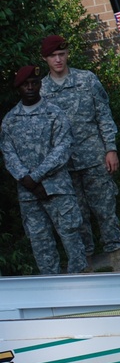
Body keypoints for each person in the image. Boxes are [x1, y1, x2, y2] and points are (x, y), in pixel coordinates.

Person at [39, 35, 120, 271]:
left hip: (94, 157)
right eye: (53, 56)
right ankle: (86, 266)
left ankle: (117, 262)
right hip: (63, 165)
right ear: (45, 59)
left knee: (106, 209)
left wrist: (111, 148)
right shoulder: (42, 90)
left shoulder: (86, 80)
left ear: (67, 54)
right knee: (76, 216)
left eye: (62, 54)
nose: (58, 59)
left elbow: (103, 116)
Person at [1, 66, 88, 275]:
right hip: (29, 195)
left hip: (57, 189)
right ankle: (52, 292)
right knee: (40, 243)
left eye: (34, 82)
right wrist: (26, 179)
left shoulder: (54, 114)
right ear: (18, 88)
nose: (30, 87)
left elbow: (62, 148)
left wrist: (36, 177)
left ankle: (83, 287)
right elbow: (8, 153)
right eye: (25, 84)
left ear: (40, 84)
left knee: (71, 237)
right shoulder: (10, 120)